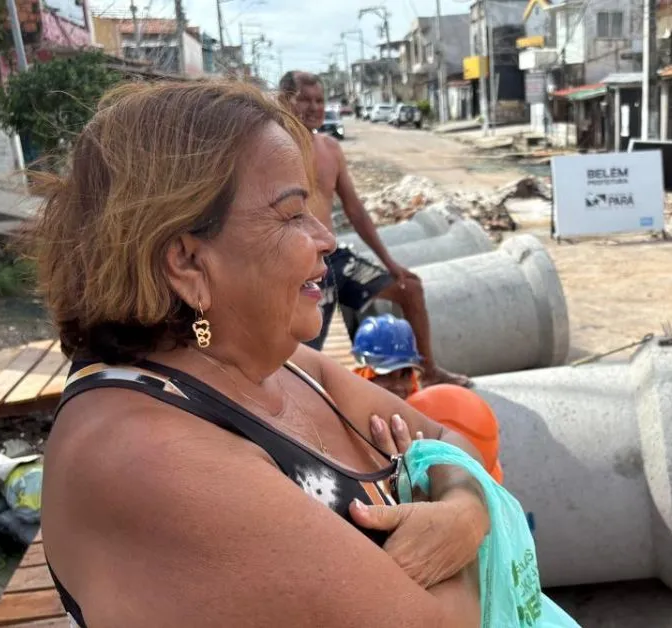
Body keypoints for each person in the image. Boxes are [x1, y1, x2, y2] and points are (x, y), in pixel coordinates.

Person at [28, 81, 490, 627]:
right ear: (187, 262)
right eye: (293, 214)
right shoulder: (146, 457)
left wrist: (463, 513)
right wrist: (447, 515)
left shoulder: (284, 368)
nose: (327, 240)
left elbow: (447, 440)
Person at [277, 70, 470, 388]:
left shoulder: (330, 149)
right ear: (286, 101)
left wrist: (391, 265)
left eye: (320, 100)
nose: (314, 107)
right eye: (305, 100)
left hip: (334, 258)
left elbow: (354, 209)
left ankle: (429, 370)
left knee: (410, 287)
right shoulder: (276, 151)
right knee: (305, 345)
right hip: (298, 265)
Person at [351, 315, 504, 484]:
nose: (398, 386)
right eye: (385, 375)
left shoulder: (429, 409)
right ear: (363, 373)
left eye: (405, 374)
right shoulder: (349, 415)